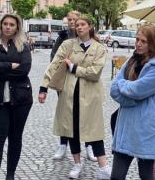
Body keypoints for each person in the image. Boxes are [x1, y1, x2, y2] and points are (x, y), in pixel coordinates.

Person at [39, 16, 112, 179]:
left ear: (90, 27)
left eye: (82, 25)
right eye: (77, 25)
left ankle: (103, 166)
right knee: (71, 129)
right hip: (69, 93)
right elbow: (55, 65)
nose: (79, 27)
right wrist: (43, 86)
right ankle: (77, 163)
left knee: (94, 130)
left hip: (91, 95)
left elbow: (95, 72)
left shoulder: (99, 48)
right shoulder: (68, 45)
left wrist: (74, 68)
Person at [109, 24, 155, 180]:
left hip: (146, 128)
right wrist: (132, 101)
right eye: (137, 39)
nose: (138, 43)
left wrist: (124, 86)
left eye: (143, 41)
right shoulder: (132, 60)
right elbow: (114, 90)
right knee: (116, 176)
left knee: (146, 175)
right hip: (126, 126)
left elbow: (136, 90)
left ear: (152, 44)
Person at [0, 14, 33, 180]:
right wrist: (10, 65)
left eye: (12, 24)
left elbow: (24, 69)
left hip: (20, 99)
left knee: (15, 137)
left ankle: (10, 175)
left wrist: (0, 70)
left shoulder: (23, 46)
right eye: (5, 24)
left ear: (17, 27)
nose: (8, 27)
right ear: (1, 25)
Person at [49, 11, 96, 161]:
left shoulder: (88, 38)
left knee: (87, 114)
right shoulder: (62, 37)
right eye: (69, 20)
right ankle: (63, 145)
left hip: (83, 81)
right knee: (65, 114)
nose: (71, 22)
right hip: (65, 81)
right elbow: (54, 58)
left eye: (74, 20)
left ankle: (89, 146)